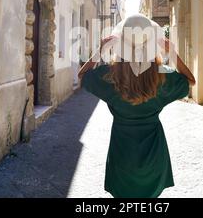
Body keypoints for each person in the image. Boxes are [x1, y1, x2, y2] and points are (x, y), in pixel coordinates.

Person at [78, 14, 196, 198]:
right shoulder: (162, 76)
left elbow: (82, 76)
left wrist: (99, 51)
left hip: (121, 152)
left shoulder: (110, 76)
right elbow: (190, 81)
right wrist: (172, 53)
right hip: (154, 153)